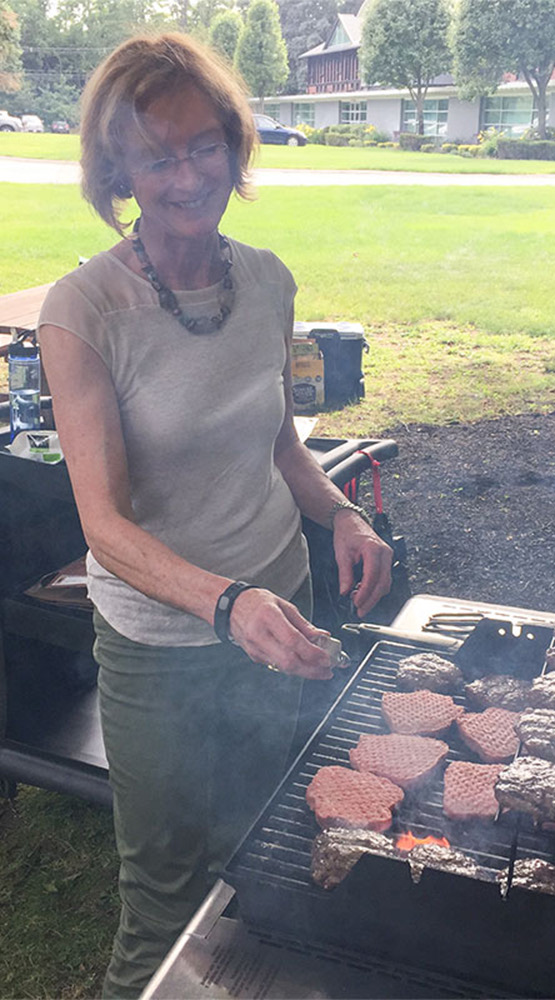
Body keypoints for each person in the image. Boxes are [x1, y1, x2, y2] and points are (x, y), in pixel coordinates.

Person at [36, 34, 393, 998]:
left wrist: (343, 520)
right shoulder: (83, 312)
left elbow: (280, 447)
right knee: (164, 897)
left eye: (206, 146)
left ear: (237, 149)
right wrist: (225, 603)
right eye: (159, 154)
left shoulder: (269, 280)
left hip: (286, 611)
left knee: (272, 857)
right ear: (119, 169)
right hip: (161, 648)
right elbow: (101, 525)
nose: (188, 174)